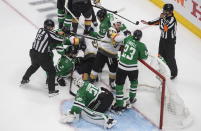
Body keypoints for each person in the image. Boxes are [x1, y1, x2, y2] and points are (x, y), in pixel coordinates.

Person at [20, 19, 64, 97]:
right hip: (42, 56)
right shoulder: (50, 34)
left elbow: (50, 33)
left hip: (33, 53)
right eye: (50, 27)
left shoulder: (40, 30)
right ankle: (51, 90)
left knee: (34, 66)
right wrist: (65, 34)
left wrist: (57, 32)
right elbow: (60, 40)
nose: (50, 28)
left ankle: (24, 79)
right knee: (51, 71)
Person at [88, 10, 130, 89]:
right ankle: (92, 79)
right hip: (103, 51)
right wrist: (126, 37)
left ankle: (112, 82)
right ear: (113, 24)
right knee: (96, 66)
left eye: (119, 24)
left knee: (113, 69)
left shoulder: (121, 33)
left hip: (112, 54)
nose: (118, 26)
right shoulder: (111, 29)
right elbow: (116, 39)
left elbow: (123, 43)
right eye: (116, 24)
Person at [109, 29, 148, 112]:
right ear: (140, 37)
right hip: (132, 68)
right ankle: (131, 99)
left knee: (119, 86)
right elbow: (144, 57)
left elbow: (117, 40)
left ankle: (119, 105)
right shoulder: (141, 45)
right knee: (134, 84)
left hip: (121, 67)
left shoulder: (128, 38)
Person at [141, 3, 178, 80]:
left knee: (170, 57)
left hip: (170, 41)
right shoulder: (164, 16)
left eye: (165, 10)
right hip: (163, 39)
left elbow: (163, 28)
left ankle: (173, 73)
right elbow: (158, 20)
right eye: (163, 10)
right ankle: (162, 69)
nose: (163, 11)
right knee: (160, 55)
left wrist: (161, 19)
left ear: (170, 11)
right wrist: (148, 22)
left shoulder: (172, 20)